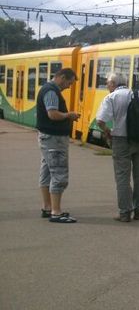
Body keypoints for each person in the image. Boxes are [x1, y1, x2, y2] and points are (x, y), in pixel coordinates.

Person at [96, 72, 139, 222]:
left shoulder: (112, 97)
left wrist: (107, 131)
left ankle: (125, 213)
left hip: (121, 141)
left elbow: (100, 121)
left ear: (114, 84)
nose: (107, 86)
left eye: (108, 83)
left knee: (122, 177)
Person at [37, 68, 81, 223]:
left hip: (48, 138)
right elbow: (53, 114)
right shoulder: (51, 91)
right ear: (62, 77)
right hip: (54, 139)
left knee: (47, 173)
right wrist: (69, 115)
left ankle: (47, 207)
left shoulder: (47, 89)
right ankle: (56, 212)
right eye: (69, 82)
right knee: (59, 174)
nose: (69, 86)